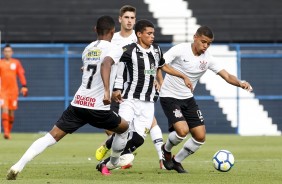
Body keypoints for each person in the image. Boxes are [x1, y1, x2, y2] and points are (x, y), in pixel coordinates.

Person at [6, 15, 130, 180]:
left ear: (95, 30)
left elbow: (90, 68)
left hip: (78, 103)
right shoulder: (114, 48)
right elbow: (106, 64)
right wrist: (108, 91)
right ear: (113, 32)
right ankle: (114, 161)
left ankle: (18, 165)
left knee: (51, 136)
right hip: (98, 107)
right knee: (124, 128)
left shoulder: (88, 49)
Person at [96, 19, 192, 175]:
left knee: (138, 140)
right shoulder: (128, 50)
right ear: (139, 34)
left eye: (153, 33)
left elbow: (163, 66)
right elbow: (111, 62)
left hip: (148, 102)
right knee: (123, 131)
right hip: (130, 100)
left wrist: (182, 76)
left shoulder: (156, 50)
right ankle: (110, 158)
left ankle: (105, 163)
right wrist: (115, 88)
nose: (152, 36)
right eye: (149, 33)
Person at [160, 25, 253, 173]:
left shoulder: (207, 58)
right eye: (203, 42)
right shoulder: (180, 49)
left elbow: (227, 76)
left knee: (200, 137)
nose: (205, 46)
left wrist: (240, 83)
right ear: (195, 37)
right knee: (182, 131)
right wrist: (180, 76)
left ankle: (177, 161)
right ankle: (166, 149)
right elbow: (161, 63)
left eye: (209, 43)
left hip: (188, 98)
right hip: (169, 96)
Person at [95, 5, 166, 169]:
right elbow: (104, 58)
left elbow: (157, 64)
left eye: (132, 18)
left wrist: (157, 79)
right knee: (117, 127)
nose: (129, 21)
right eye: (126, 17)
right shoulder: (115, 40)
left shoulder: (145, 43)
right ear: (120, 19)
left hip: (142, 92)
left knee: (143, 129)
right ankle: (111, 150)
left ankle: (160, 158)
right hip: (118, 88)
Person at [0, 44, 28, 140]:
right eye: (6, 51)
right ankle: (6, 133)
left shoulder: (16, 63)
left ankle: (9, 132)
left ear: (12, 52)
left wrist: (24, 86)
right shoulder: (0, 63)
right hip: (3, 91)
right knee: (5, 109)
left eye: (9, 51)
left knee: (11, 113)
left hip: (13, 91)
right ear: (3, 53)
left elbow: (21, 74)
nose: (7, 53)